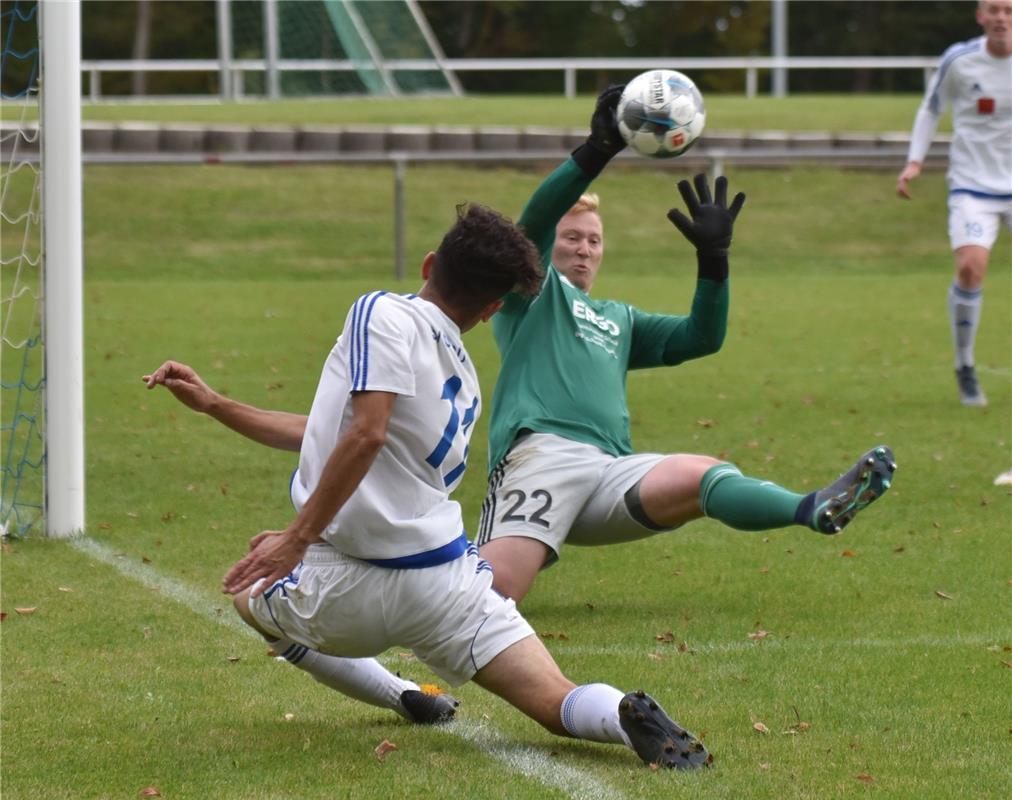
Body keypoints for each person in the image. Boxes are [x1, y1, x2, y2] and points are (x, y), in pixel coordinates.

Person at [144, 203, 713, 770]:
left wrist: (298, 537)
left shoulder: (380, 312)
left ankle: (400, 694)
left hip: (350, 590)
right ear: (491, 309)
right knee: (553, 698)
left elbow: (364, 436)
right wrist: (216, 405)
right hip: (448, 584)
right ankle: (621, 715)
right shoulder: (464, 379)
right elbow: (331, 432)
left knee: (250, 595)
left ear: (429, 263)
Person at [475, 86, 898, 603]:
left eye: (594, 240)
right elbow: (534, 223)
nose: (584, 249)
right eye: (572, 238)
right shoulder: (530, 291)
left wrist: (713, 260)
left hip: (610, 471)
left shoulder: (618, 319)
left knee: (703, 475)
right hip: (540, 458)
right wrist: (598, 150)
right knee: (489, 601)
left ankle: (811, 508)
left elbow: (702, 337)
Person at [896, 0, 1012, 407]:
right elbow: (930, 111)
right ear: (980, 16)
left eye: (1009, 10)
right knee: (970, 266)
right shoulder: (959, 61)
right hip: (972, 185)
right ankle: (965, 365)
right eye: (994, 10)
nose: (1002, 17)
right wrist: (914, 162)